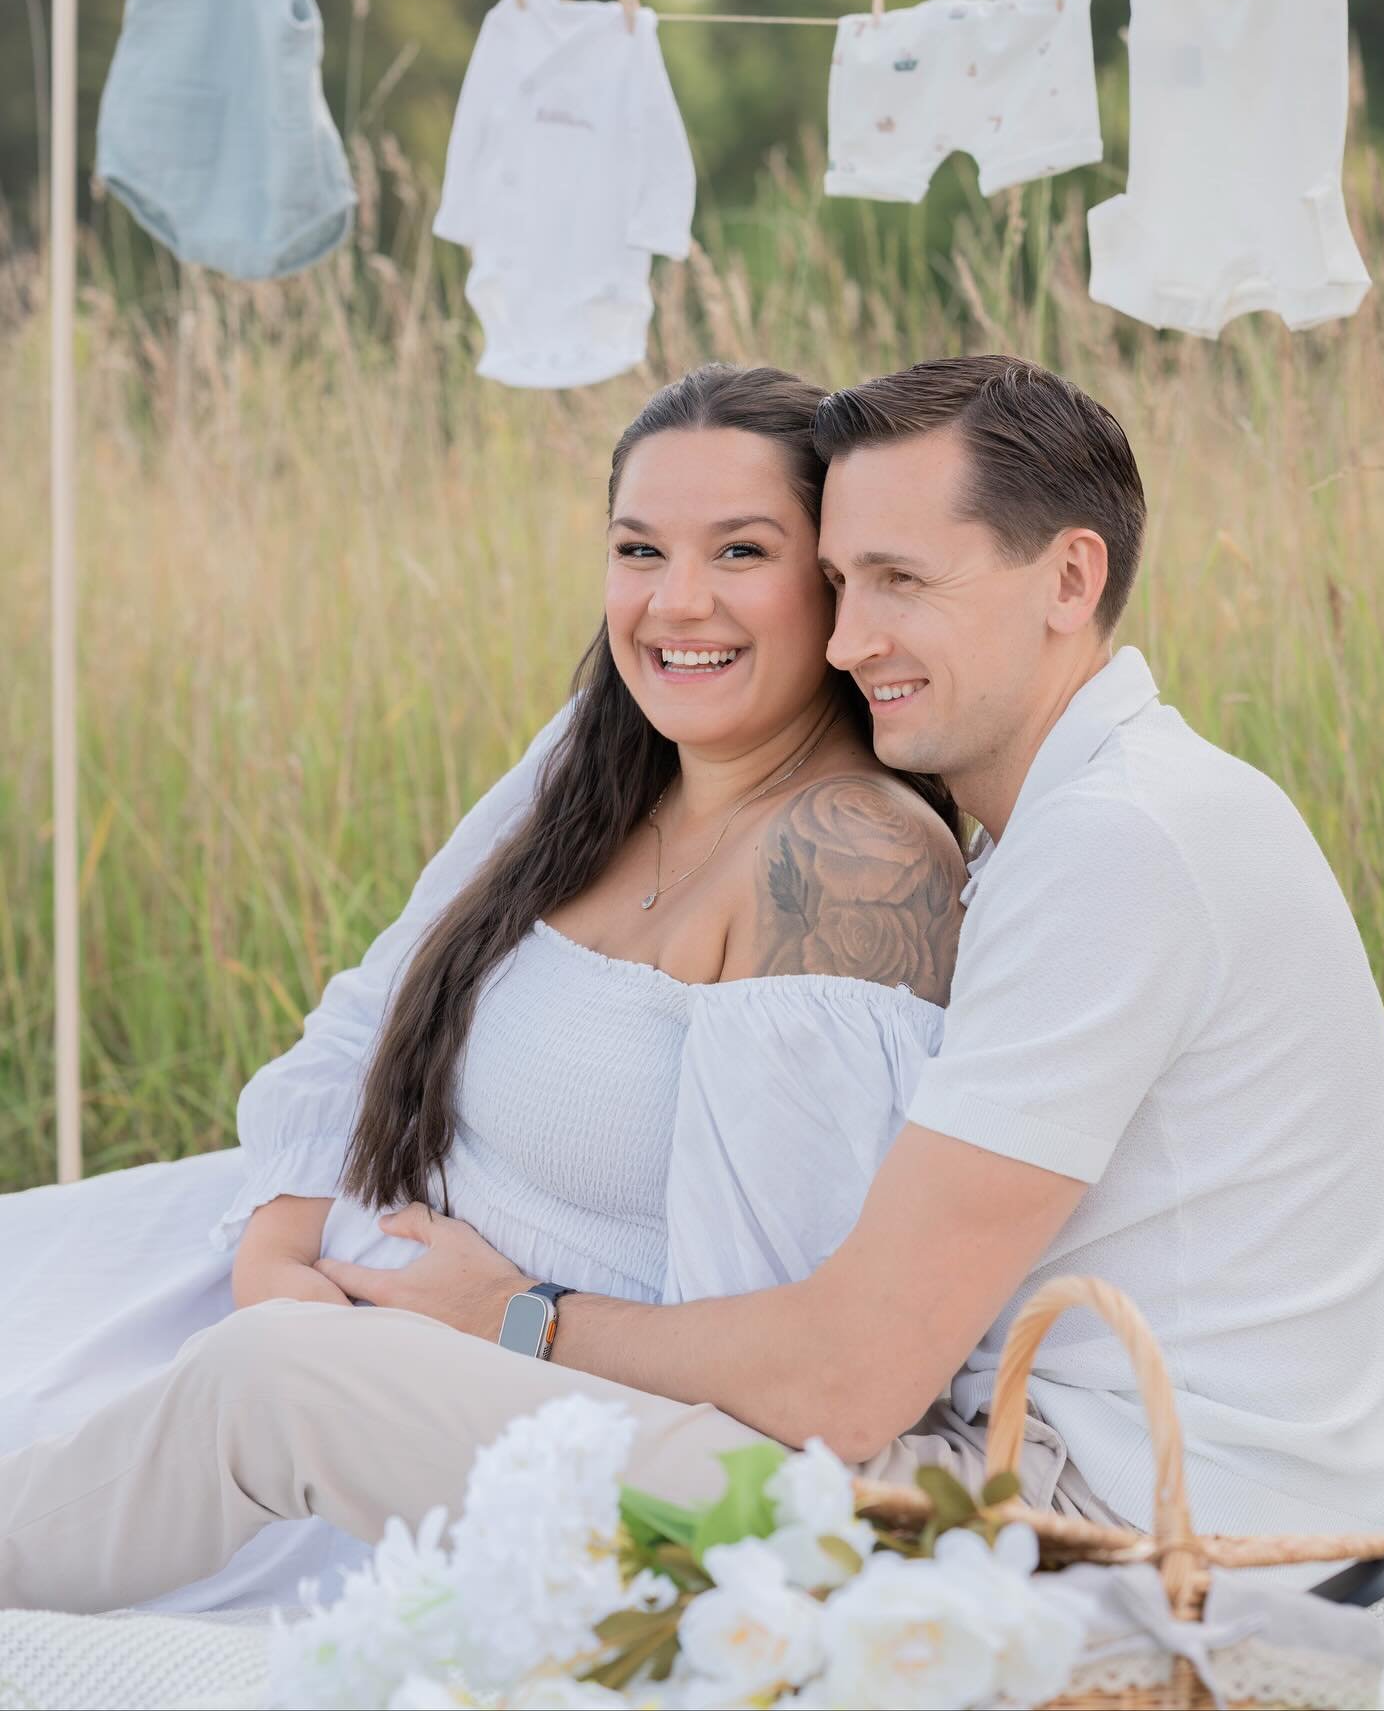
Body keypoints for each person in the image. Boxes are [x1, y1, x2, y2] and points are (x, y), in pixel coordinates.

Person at [1, 355, 1384, 1615]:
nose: (851, 639)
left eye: (900, 581)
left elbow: (846, 1382)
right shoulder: (1078, 814)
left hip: (1121, 1543)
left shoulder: (1113, 842)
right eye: (844, 582)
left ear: (1069, 579)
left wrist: (512, 1313)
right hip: (1040, 1472)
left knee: (277, 1382)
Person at [0, 362, 969, 1612]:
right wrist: (278, 1252)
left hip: (449, 1421)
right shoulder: (605, 750)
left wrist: (496, 1323)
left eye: (741, 550)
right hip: (279, 1275)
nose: (675, 601)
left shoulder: (842, 860)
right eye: (638, 548)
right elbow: (372, 1004)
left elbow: (762, 1348)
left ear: (833, 583)